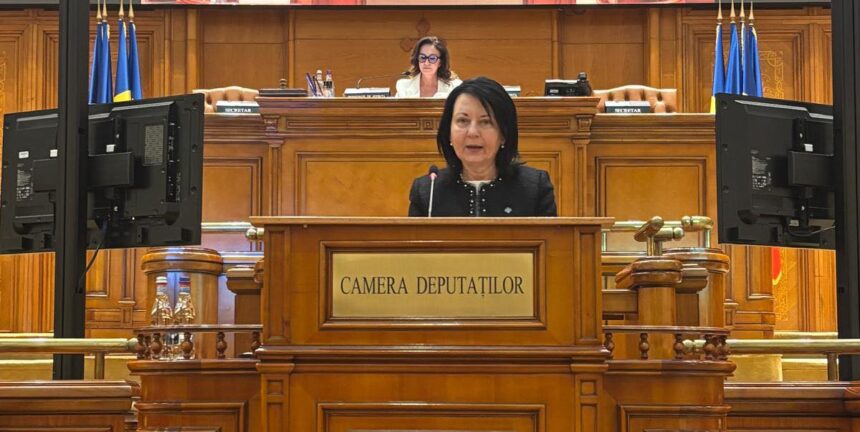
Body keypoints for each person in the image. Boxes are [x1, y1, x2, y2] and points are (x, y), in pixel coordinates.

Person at [408, 77, 557, 217]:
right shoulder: (428, 192)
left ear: (504, 133)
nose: (472, 132)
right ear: (448, 132)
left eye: (485, 122)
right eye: (462, 121)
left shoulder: (534, 188)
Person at [395, 36, 462, 98]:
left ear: (440, 62)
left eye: (432, 58)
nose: (426, 63)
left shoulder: (455, 87)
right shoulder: (403, 86)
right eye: (422, 57)